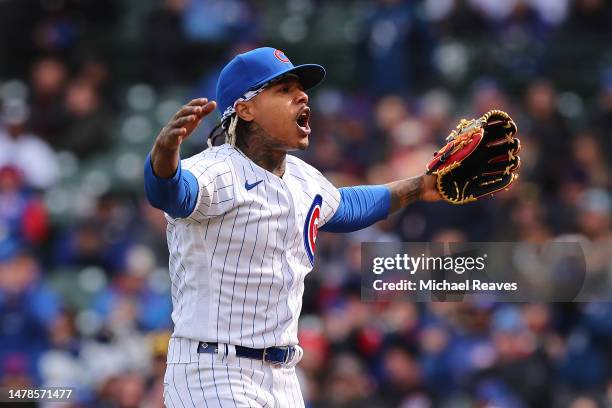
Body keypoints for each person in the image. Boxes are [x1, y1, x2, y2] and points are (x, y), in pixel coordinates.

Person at [144, 47, 440, 407]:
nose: (302, 95)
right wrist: (163, 155)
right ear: (246, 108)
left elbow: (348, 206)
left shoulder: (303, 178)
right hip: (213, 371)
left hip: (283, 377)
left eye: (301, 89)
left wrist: (420, 187)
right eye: (283, 89)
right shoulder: (214, 170)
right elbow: (170, 192)